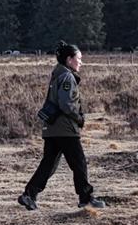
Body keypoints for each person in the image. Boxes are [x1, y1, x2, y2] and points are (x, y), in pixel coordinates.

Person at [19, 41, 105, 210]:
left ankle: (29, 195)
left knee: (48, 165)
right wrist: (79, 118)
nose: (81, 62)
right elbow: (66, 104)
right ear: (69, 59)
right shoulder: (67, 77)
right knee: (79, 163)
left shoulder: (57, 74)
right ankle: (85, 198)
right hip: (65, 129)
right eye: (78, 59)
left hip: (52, 129)